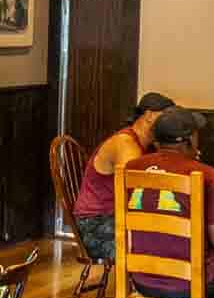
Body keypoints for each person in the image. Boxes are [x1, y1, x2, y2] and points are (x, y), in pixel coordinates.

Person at [120, 107, 214, 298]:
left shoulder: (131, 168)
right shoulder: (206, 174)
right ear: (190, 140)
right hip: (191, 282)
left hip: (141, 280)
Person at [72, 91, 176, 262]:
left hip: (117, 217)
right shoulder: (126, 144)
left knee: (168, 235)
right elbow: (139, 192)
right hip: (95, 225)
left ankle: (153, 286)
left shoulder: (146, 145)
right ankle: (150, 286)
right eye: (166, 117)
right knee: (160, 241)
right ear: (149, 115)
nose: (170, 124)